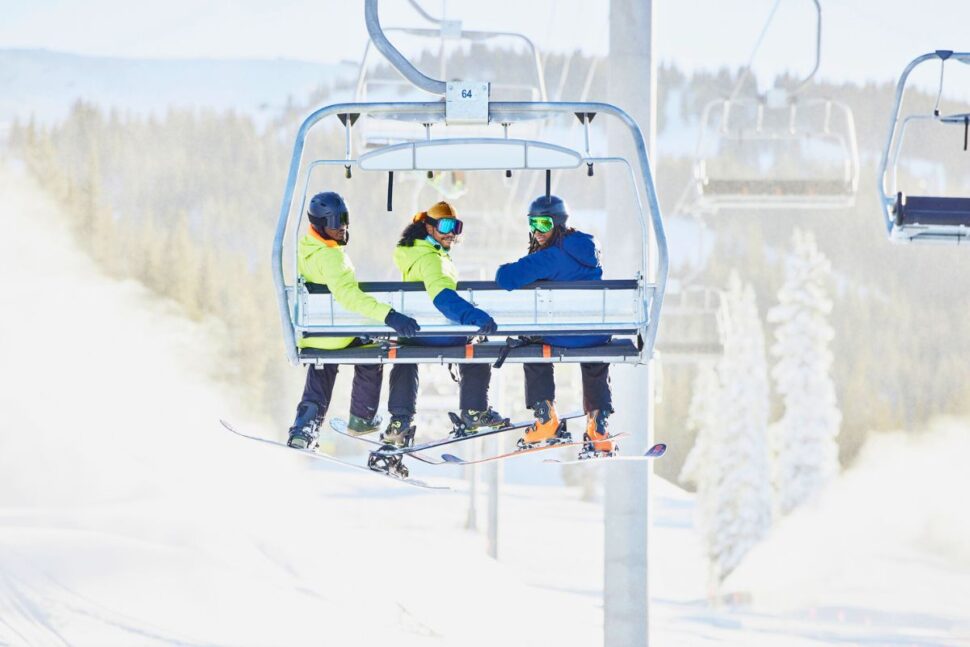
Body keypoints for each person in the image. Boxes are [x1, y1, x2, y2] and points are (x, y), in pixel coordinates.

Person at [374, 201, 506, 469]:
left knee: (404, 352)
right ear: (428, 227)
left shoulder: (414, 252)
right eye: (446, 226)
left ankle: (400, 419)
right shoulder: (432, 258)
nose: (452, 234)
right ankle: (474, 410)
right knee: (476, 341)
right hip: (438, 332)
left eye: (457, 228)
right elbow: (442, 297)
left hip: (415, 333)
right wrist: (476, 318)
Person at [287, 191, 420, 450]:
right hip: (336, 336)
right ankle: (363, 417)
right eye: (337, 222)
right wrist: (389, 316)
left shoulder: (305, 247)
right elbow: (349, 296)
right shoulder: (332, 258)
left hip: (314, 333)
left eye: (345, 219)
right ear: (321, 225)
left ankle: (305, 426)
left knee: (321, 364)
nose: (343, 227)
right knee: (371, 350)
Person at [494, 194, 615, 455]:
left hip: (560, 334)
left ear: (558, 224)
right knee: (596, 352)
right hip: (596, 333)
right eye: (533, 224)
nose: (537, 231)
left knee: (530, 343)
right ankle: (598, 426)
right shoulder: (588, 250)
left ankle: (546, 417)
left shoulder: (550, 257)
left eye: (544, 225)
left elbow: (505, 278)